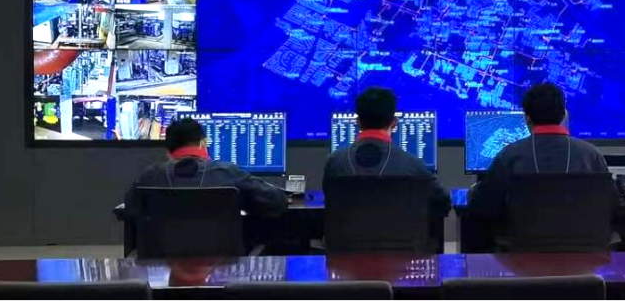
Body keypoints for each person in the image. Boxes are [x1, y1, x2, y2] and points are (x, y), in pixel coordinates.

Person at [467, 82, 610, 225]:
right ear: (563, 115)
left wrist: (473, 192)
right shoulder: (591, 155)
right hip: (582, 237)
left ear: (527, 118)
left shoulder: (509, 156)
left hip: (523, 238)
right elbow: (610, 203)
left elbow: (485, 204)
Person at [323, 87, 451, 246]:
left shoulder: (334, 162)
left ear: (357, 122)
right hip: (400, 255)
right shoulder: (413, 166)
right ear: (394, 122)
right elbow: (443, 202)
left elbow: (330, 204)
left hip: (346, 255)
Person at [125, 118, 287, 219]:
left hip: (163, 259)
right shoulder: (227, 173)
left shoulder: (149, 177)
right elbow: (276, 200)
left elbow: (130, 211)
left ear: (168, 152)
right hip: (222, 260)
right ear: (203, 144)